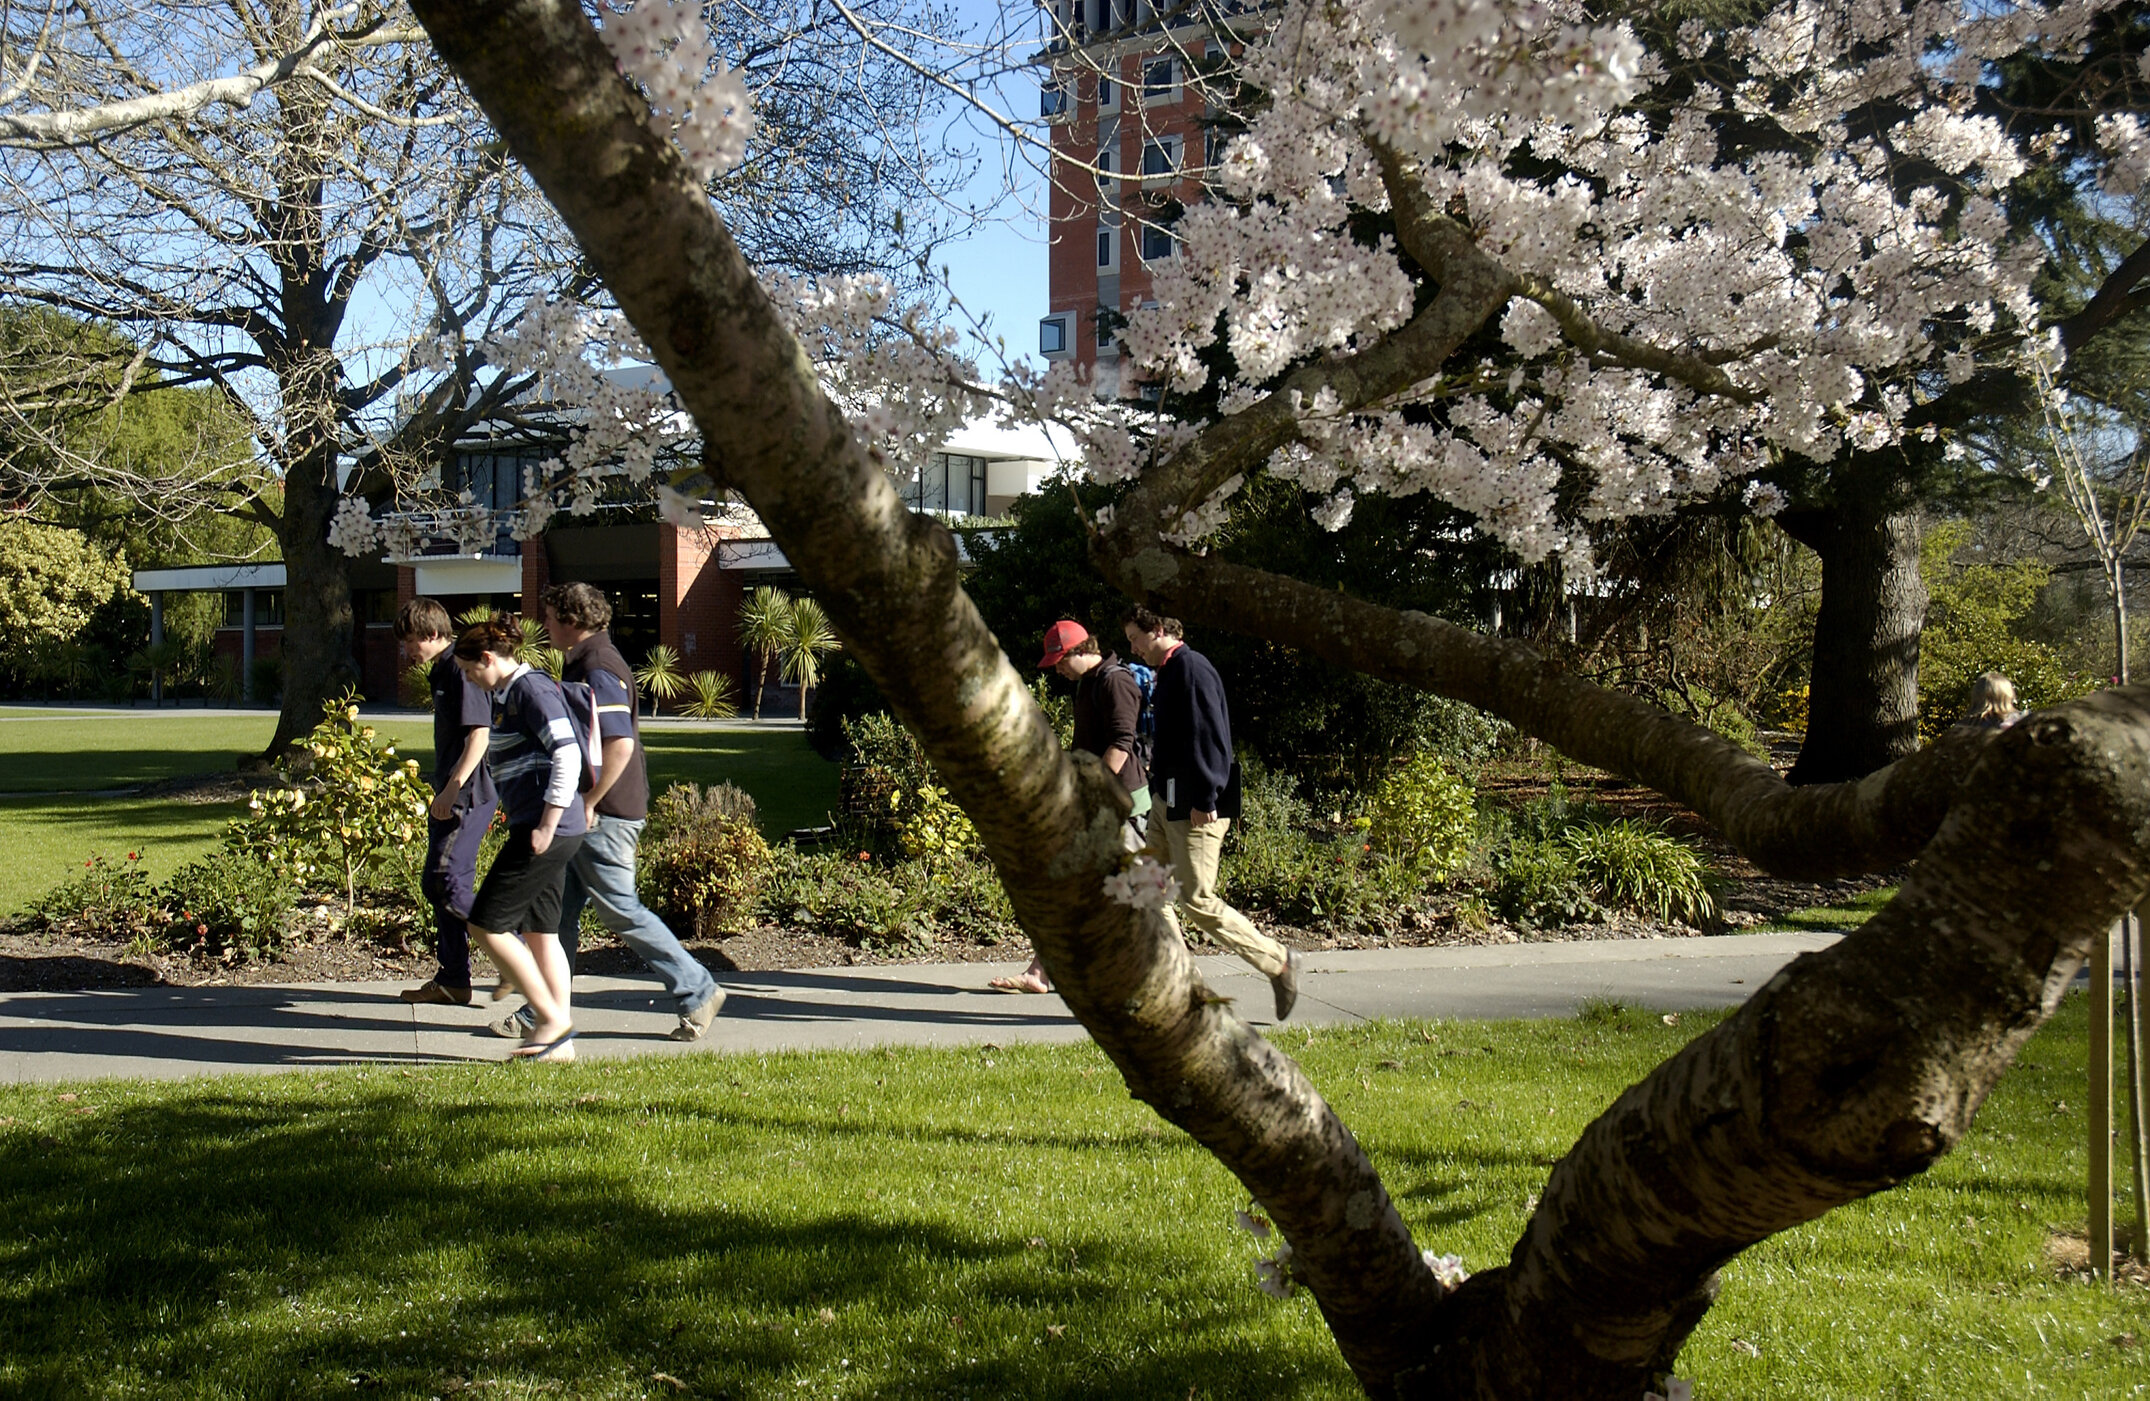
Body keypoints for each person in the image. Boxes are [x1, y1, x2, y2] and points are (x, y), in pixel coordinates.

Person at [494, 581, 727, 1042]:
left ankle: (699, 990)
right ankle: (541, 1010)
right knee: (557, 914)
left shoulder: (598, 667)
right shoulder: (585, 662)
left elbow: (619, 743)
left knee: (620, 909)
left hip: (606, 813)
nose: (545, 625)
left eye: (550, 617)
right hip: (590, 811)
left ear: (572, 621)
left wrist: (588, 801)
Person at [1124, 606, 1300, 1021]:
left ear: (1160, 630)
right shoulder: (1168, 672)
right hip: (1167, 804)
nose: (1132, 646)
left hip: (1196, 805)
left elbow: (1212, 738)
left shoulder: (1191, 669)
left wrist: (1207, 797)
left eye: (1136, 638)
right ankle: (1182, 985)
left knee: (1197, 899)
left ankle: (1279, 963)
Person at [991, 619, 1151, 995]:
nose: (1058, 668)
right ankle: (1041, 972)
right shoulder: (1088, 684)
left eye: (1062, 660)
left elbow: (1121, 744)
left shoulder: (1115, 682)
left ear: (1083, 649)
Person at [453, 617, 588, 1061]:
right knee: (540, 932)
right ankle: (558, 1045)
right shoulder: (507, 694)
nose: (471, 679)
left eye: (471, 670)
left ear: (488, 658)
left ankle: (550, 1018)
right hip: (546, 828)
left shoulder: (530, 690)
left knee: (485, 922)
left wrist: (547, 824)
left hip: (545, 829)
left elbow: (567, 752)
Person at [395, 599, 498, 1007]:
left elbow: (479, 736)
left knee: (445, 882)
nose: (406, 650)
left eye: (409, 640)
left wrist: (453, 786)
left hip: (468, 795)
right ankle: (454, 980)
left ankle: (517, 951)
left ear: (433, 634)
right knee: (443, 884)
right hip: (452, 793)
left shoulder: (459, 669)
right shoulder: (444, 669)